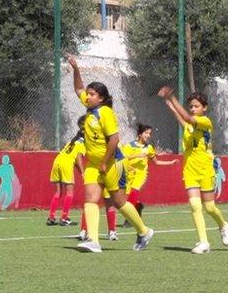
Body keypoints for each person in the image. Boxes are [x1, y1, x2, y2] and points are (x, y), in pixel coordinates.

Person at [66, 55, 154, 253]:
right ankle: (94, 241)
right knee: (90, 198)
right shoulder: (89, 108)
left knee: (119, 202)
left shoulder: (105, 113)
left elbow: (114, 140)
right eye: (88, 94)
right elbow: (78, 89)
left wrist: (105, 162)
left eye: (92, 94)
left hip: (113, 163)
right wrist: (76, 68)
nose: (87, 96)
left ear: (102, 98)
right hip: (93, 164)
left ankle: (144, 231)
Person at [158, 87, 228, 254]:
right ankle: (203, 242)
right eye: (191, 106)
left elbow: (187, 118)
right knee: (194, 204)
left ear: (204, 108)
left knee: (210, 207)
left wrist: (172, 97)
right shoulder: (190, 126)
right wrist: (172, 108)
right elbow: (184, 122)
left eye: (196, 106)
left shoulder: (205, 122)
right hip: (190, 169)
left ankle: (222, 224)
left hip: (205, 168)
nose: (193, 109)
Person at [121, 123, 178, 223]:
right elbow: (123, 158)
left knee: (134, 192)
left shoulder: (149, 148)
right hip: (129, 174)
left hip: (141, 175)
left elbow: (156, 162)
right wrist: (137, 155)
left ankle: (129, 219)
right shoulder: (129, 146)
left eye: (149, 133)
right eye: (146, 133)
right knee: (126, 197)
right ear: (139, 134)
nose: (148, 135)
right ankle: (138, 206)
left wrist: (171, 162)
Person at [47, 117, 87, 227]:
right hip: (66, 164)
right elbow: (78, 158)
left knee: (58, 192)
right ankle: (64, 218)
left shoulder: (72, 141)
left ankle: (51, 217)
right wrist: (83, 173)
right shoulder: (82, 144)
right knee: (70, 192)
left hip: (57, 161)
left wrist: (80, 171)